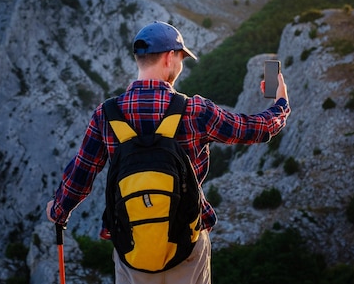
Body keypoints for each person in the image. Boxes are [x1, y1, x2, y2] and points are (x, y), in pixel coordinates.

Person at [46, 20, 290, 284]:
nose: (181, 65)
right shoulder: (195, 110)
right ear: (169, 57)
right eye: (181, 58)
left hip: (131, 246)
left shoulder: (105, 115)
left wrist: (59, 209)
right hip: (187, 245)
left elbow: (81, 174)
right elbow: (255, 129)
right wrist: (280, 104)